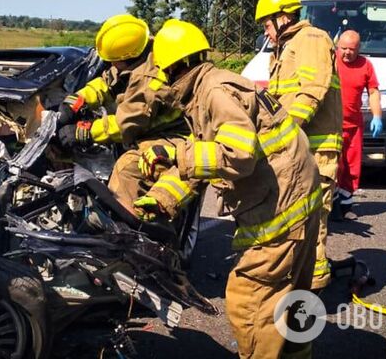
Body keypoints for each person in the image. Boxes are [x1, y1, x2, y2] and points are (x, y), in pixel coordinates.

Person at [136, 19, 321, 359]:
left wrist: (173, 151)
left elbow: (236, 156)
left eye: (164, 72)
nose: (163, 81)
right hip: (299, 197)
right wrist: (162, 197)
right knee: (291, 301)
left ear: (177, 66)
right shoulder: (212, 85)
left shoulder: (214, 92)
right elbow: (204, 156)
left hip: (280, 209)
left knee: (250, 300)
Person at [57, 14, 196, 220]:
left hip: (173, 134)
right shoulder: (139, 51)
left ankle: (129, 230)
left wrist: (84, 131)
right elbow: (107, 82)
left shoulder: (150, 80)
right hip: (148, 127)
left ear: (128, 57)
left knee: (126, 170)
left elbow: (127, 124)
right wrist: (78, 100)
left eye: (114, 61)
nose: (111, 64)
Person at [255, 0, 342, 291]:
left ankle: (314, 286)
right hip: (296, 146)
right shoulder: (285, 46)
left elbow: (311, 91)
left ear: (283, 16)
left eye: (267, 24)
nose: (266, 32)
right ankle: (299, 279)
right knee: (293, 215)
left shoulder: (312, 39)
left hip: (317, 148)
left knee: (313, 217)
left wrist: (284, 130)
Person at [333, 29, 382, 219]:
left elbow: (373, 92)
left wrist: (376, 116)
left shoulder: (365, 65)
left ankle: (345, 205)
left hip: (354, 125)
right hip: (331, 124)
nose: (346, 53)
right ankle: (331, 203)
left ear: (359, 49)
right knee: (333, 165)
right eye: (343, 48)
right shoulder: (330, 61)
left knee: (352, 166)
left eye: (351, 49)